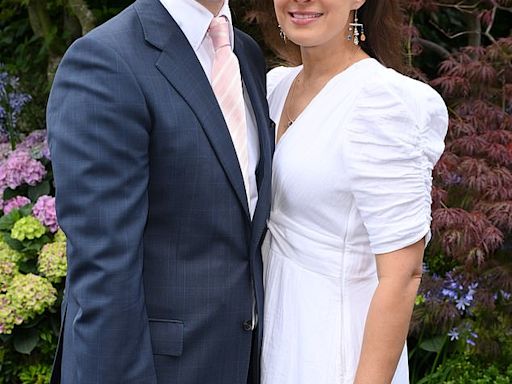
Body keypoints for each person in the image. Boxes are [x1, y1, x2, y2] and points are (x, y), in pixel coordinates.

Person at [46, 0, 273, 382]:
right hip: (156, 369)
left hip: (241, 361)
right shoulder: (106, 60)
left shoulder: (245, 54)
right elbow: (104, 275)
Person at [258, 0, 449, 383]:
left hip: (336, 350)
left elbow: (403, 274)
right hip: (276, 334)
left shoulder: (381, 101)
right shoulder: (274, 87)